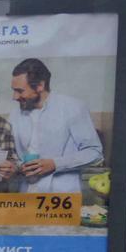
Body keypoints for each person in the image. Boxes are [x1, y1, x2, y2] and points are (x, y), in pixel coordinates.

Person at [7, 58, 103, 194]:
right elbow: (14, 156)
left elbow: (95, 153)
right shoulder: (15, 114)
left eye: (20, 91)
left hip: (62, 199)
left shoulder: (73, 107)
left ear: (40, 86)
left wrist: (55, 164)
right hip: (25, 195)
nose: (14, 97)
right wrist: (13, 166)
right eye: (14, 90)